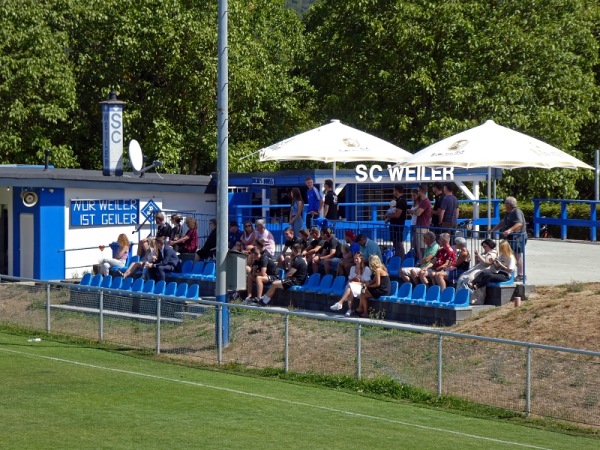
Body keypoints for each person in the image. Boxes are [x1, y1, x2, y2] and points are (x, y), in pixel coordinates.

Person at [490, 196, 527, 282]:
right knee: (508, 254)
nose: (505, 205)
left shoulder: (517, 212)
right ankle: (508, 271)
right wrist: (494, 229)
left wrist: (509, 230)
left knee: (517, 255)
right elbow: (503, 222)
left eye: (506, 203)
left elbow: (519, 223)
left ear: (509, 204)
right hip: (510, 237)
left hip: (518, 237)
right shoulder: (508, 212)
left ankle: (521, 274)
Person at [244, 239, 279, 303]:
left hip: (273, 276)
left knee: (258, 278)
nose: (253, 259)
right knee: (250, 276)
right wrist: (254, 272)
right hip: (265, 275)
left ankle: (259, 298)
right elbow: (253, 269)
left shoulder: (264, 257)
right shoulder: (257, 256)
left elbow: (262, 273)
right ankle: (249, 296)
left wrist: (256, 273)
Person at [412, 184, 432, 261]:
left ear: (420, 191)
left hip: (422, 226)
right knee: (420, 246)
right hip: (422, 226)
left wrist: (415, 211)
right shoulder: (424, 202)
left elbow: (418, 213)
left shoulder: (425, 202)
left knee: (421, 246)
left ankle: (422, 262)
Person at [386, 185, 407, 258]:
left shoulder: (402, 201)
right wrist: (388, 218)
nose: (393, 192)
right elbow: (393, 211)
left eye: (394, 190)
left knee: (398, 242)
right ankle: (397, 257)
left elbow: (397, 215)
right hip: (393, 225)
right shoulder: (396, 201)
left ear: (397, 191)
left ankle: (402, 257)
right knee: (395, 243)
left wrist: (388, 215)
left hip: (398, 225)